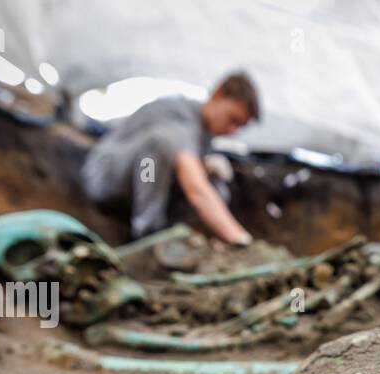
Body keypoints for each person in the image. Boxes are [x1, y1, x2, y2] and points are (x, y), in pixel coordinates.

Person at [81, 72, 259, 245]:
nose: (232, 131)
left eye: (240, 126)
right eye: (232, 120)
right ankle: (147, 234)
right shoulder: (179, 118)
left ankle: (169, 236)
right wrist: (239, 238)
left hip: (137, 189)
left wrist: (205, 167)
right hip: (107, 180)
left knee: (218, 188)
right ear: (219, 95)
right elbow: (196, 189)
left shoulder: (205, 134)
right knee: (159, 146)